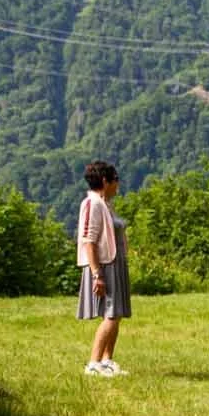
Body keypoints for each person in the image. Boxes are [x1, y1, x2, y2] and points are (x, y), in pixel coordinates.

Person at [76, 160, 132, 376]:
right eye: (115, 179)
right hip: (104, 266)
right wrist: (97, 274)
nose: (118, 184)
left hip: (114, 264)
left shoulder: (105, 203)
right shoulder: (93, 204)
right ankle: (93, 363)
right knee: (110, 314)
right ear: (105, 181)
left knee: (115, 315)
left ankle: (107, 361)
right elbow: (88, 240)